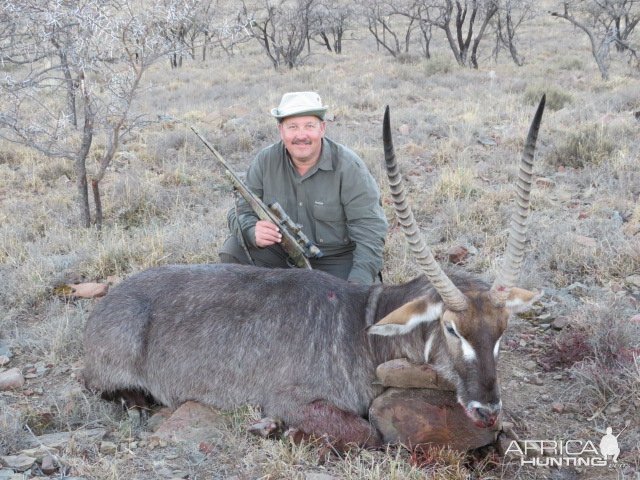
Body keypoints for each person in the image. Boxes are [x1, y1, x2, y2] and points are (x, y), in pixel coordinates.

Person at [219, 91, 388, 284]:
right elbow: (240, 211)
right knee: (233, 250)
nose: (301, 135)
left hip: (335, 260)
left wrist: (358, 284)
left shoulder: (349, 167)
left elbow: (371, 229)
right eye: (292, 127)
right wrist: (251, 230)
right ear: (281, 130)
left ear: (322, 128)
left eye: (309, 126)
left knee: (362, 297)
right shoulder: (265, 161)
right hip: (282, 254)